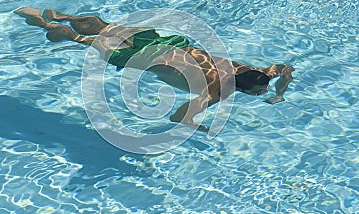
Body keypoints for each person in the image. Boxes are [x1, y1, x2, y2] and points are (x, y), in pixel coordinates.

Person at [15, 7, 295, 132]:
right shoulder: (217, 93)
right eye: (261, 91)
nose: (264, 90)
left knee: (107, 28)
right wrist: (201, 127)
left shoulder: (249, 70)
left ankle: (68, 17)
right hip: (145, 61)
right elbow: (178, 118)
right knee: (84, 42)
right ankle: (57, 28)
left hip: (171, 44)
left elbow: (285, 69)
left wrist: (281, 90)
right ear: (241, 88)